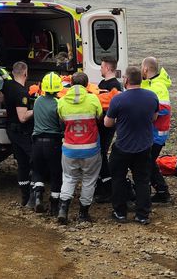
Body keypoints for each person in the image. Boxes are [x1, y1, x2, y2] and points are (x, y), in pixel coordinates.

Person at [104, 66, 159, 225]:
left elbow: (108, 123)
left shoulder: (118, 99)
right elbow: (154, 117)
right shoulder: (151, 96)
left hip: (123, 146)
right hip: (144, 146)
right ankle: (142, 215)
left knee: (118, 179)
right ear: (140, 79)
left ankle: (120, 213)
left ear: (126, 80)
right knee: (142, 180)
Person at [56, 72, 103, 224]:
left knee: (69, 178)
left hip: (69, 149)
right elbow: (100, 117)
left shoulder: (62, 102)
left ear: (70, 83)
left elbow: (61, 121)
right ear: (87, 85)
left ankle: (63, 209)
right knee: (89, 180)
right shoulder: (93, 99)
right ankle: (83, 214)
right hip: (91, 150)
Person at [31, 72, 64, 215]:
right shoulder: (58, 103)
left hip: (37, 143)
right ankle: (54, 206)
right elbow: (61, 125)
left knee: (38, 171)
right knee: (56, 174)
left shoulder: (37, 101)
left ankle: (38, 197)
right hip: (53, 144)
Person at [2, 61, 34, 207]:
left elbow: (1, 99)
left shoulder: (7, 85)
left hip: (11, 129)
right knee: (34, 160)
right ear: (25, 73)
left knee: (22, 164)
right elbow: (22, 117)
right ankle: (34, 195)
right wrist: (37, 107)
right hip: (21, 132)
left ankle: (25, 198)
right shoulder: (22, 92)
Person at [141, 57, 173, 203]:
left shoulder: (158, 86)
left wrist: (144, 113)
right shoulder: (149, 83)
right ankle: (161, 191)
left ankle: (154, 192)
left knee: (146, 163)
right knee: (149, 162)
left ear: (146, 69)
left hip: (157, 133)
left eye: (142, 67)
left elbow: (164, 109)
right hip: (151, 133)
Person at [94, 56, 124, 203]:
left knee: (101, 154)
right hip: (99, 125)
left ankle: (108, 187)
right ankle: (102, 184)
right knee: (99, 154)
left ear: (107, 67)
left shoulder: (115, 86)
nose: (100, 68)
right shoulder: (102, 83)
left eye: (101, 66)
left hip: (107, 126)